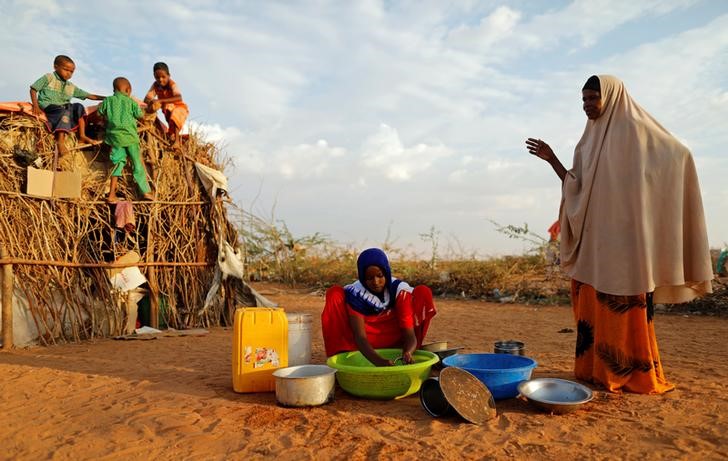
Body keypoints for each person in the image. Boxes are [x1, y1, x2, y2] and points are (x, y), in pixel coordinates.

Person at [526, 75, 713, 394]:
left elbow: (678, 154)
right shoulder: (587, 141)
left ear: (610, 97)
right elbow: (576, 186)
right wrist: (552, 159)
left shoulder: (637, 132)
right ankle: (595, 371)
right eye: (583, 100)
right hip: (595, 245)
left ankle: (632, 373)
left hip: (628, 247)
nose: (587, 106)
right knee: (594, 308)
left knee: (624, 305)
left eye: (592, 99)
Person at [321, 248, 437, 366]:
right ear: (362, 278)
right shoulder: (356, 294)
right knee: (334, 293)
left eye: (380, 276)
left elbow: (409, 334)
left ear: (386, 273)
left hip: (395, 338)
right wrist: (379, 361)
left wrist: (408, 351)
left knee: (423, 292)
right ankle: (342, 357)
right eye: (370, 278)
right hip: (362, 342)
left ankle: (407, 351)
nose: (376, 282)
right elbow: (360, 337)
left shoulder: (399, 291)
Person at [29, 55, 105, 157]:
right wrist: (35, 105)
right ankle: (60, 141)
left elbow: (89, 95)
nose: (69, 73)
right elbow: (33, 89)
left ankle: (82, 135)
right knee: (64, 111)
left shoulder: (70, 86)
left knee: (79, 107)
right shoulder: (49, 77)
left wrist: (108, 98)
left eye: (71, 72)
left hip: (63, 106)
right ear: (56, 67)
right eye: (66, 70)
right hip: (49, 105)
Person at [97, 77, 153, 203]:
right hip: (130, 137)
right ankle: (146, 192)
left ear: (114, 89)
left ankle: (111, 194)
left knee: (117, 164)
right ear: (128, 90)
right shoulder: (131, 102)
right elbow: (140, 116)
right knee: (137, 164)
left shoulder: (108, 100)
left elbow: (99, 114)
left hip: (115, 138)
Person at [143, 62, 189, 149]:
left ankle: (177, 142)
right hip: (167, 109)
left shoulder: (172, 84)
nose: (160, 79)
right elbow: (147, 99)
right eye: (157, 77)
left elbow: (179, 97)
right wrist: (152, 102)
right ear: (154, 76)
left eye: (163, 77)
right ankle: (172, 136)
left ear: (169, 75)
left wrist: (161, 100)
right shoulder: (156, 85)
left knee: (172, 110)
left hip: (180, 108)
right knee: (166, 111)